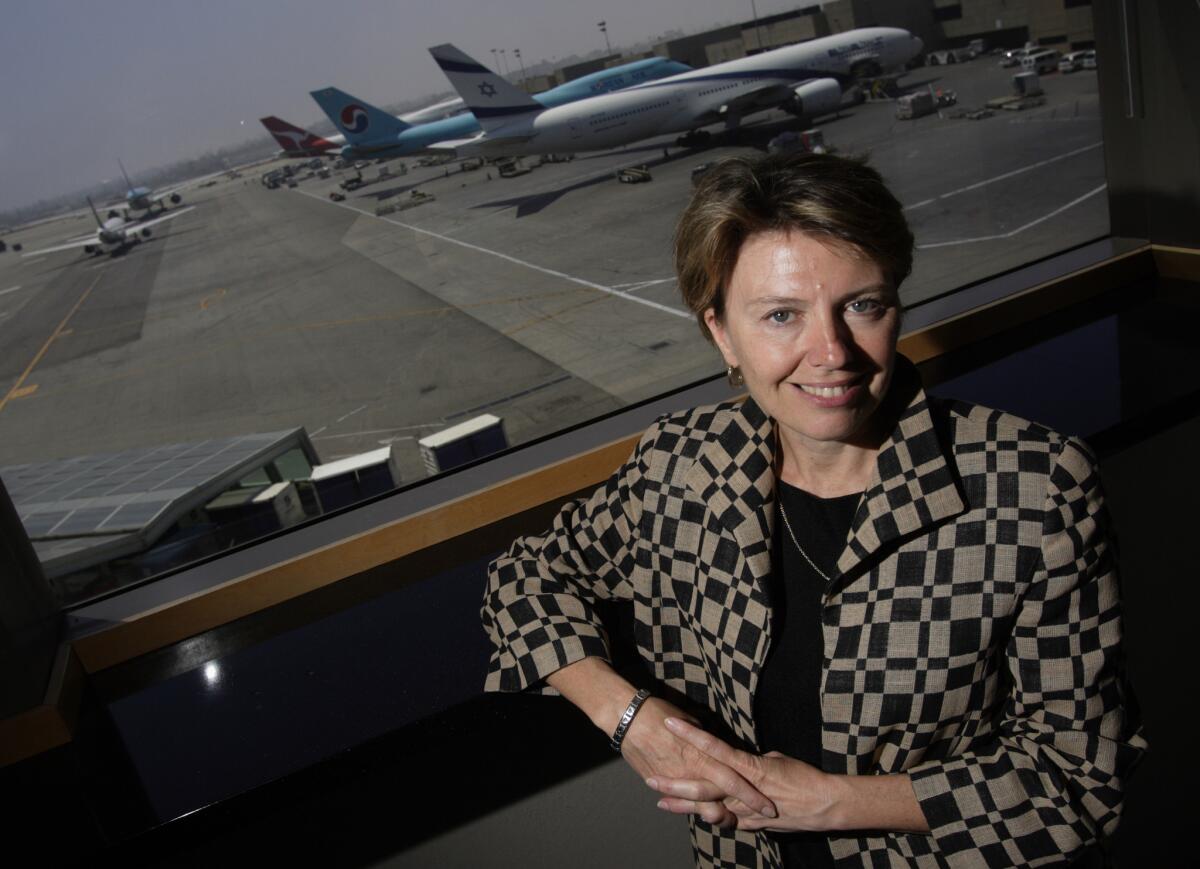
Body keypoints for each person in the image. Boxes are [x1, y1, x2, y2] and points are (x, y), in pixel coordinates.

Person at [481, 152, 1145, 868]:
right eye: (780, 315)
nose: (831, 352)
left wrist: (832, 801)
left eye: (863, 305)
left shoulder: (1035, 488)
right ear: (722, 334)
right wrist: (628, 718)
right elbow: (523, 579)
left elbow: (1077, 781)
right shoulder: (680, 463)